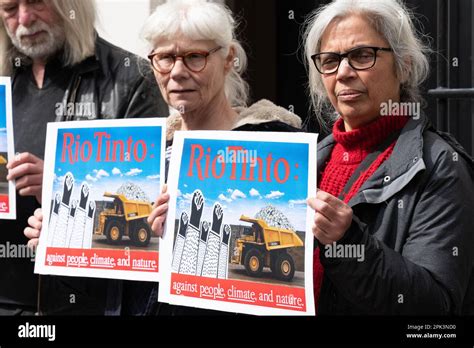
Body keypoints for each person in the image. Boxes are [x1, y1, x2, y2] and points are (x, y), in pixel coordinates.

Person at [303, 0, 474, 314]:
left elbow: (435, 308)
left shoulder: (439, 167)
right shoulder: (307, 163)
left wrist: (348, 242)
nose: (343, 73)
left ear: (404, 65)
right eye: (329, 61)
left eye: (362, 56)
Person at [1, 0, 168, 315]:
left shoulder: (129, 79)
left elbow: (145, 210)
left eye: (36, 2)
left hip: (79, 304)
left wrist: (56, 189)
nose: (24, 18)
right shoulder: (4, 82)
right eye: (10, 8)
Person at [140, 0, 302, 314]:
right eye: (164, 58)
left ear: (228, 59)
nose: (177, 72)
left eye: (195, 57)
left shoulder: (276, 143)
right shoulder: (148, 154)